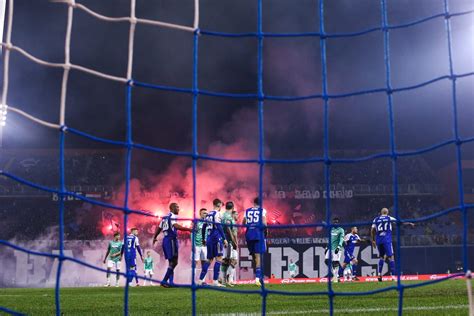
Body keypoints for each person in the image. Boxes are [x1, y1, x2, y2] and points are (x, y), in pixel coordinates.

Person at [153, 203, 193, 287]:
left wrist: (155, 237)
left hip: (166, 240)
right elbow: (175, 225)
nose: (178, 209)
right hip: (171, 240)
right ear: (171, 208)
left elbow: (159, 228)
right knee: (174, 262)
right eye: (177, 207)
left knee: (172, 262)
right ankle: (164, 281)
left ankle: (171, 282)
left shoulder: (165, 217)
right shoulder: (172, 216)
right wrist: (189, 229)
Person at [371, 208, 415, 282]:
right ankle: (393, 276)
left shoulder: (375, 219)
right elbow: (400, 222)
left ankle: (379, 274)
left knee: (382, 257)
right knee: (391, 257)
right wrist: (409, 223)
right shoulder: (389, 218)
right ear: (387, 212)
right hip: (386, 240)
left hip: (379, 240)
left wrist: (373, 240)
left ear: (381, 212)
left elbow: (372, 230)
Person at [198, 198, 228, 287]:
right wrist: (224, 238)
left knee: (209, 259)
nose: (221, 208)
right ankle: (215, 281)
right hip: (216, 239)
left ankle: (200, 280)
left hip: (209, 239)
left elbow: (203, 227)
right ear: (218, 205)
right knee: (219, 259)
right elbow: (219, 226)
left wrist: (204, 238)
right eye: (221, 206)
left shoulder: (208, 214)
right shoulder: (217, 214)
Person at [243, 197, 267, 286]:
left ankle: (258, 277)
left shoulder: (247, 211)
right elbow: (264, 224)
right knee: (258, 256)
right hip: (258, 235)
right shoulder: (262, 210)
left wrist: (250, 225)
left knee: (253, 256)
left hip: (249, 234)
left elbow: (243, 223)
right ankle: (257, 279)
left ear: (254, 203)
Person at [220, 201, 238, 286]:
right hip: (228, 241)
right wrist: (234, 241)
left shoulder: (222, 215)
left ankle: (225, 280)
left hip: (222, 240)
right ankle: (223, 280)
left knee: (227, 260)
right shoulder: (229, 217)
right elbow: (229, 229)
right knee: (226, 260)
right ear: (233, 208)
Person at [191, 208, 208, 283]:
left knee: (204, 263)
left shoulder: (208, 222)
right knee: (195, 263)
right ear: (200, 214)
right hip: (197, 245)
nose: (205, 214)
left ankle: (202, 281)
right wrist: (193, 244)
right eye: (204, 213)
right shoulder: (196, 222)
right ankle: (193, 281)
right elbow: (192, 233)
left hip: (205, 246)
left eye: (206, 213)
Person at [324, 217, 344, 283]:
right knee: (327, 260)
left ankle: (336, 277)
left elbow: (341, 239)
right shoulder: (331, 229)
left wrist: (339, 247)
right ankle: (335, 276)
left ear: (338, 223)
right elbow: (330, 239)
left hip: (337, 249)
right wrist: (327, 247)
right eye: (334, 222)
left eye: (337, 222)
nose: (335, 223)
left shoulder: (341, 230)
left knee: (335, 262)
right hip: (330, 248)